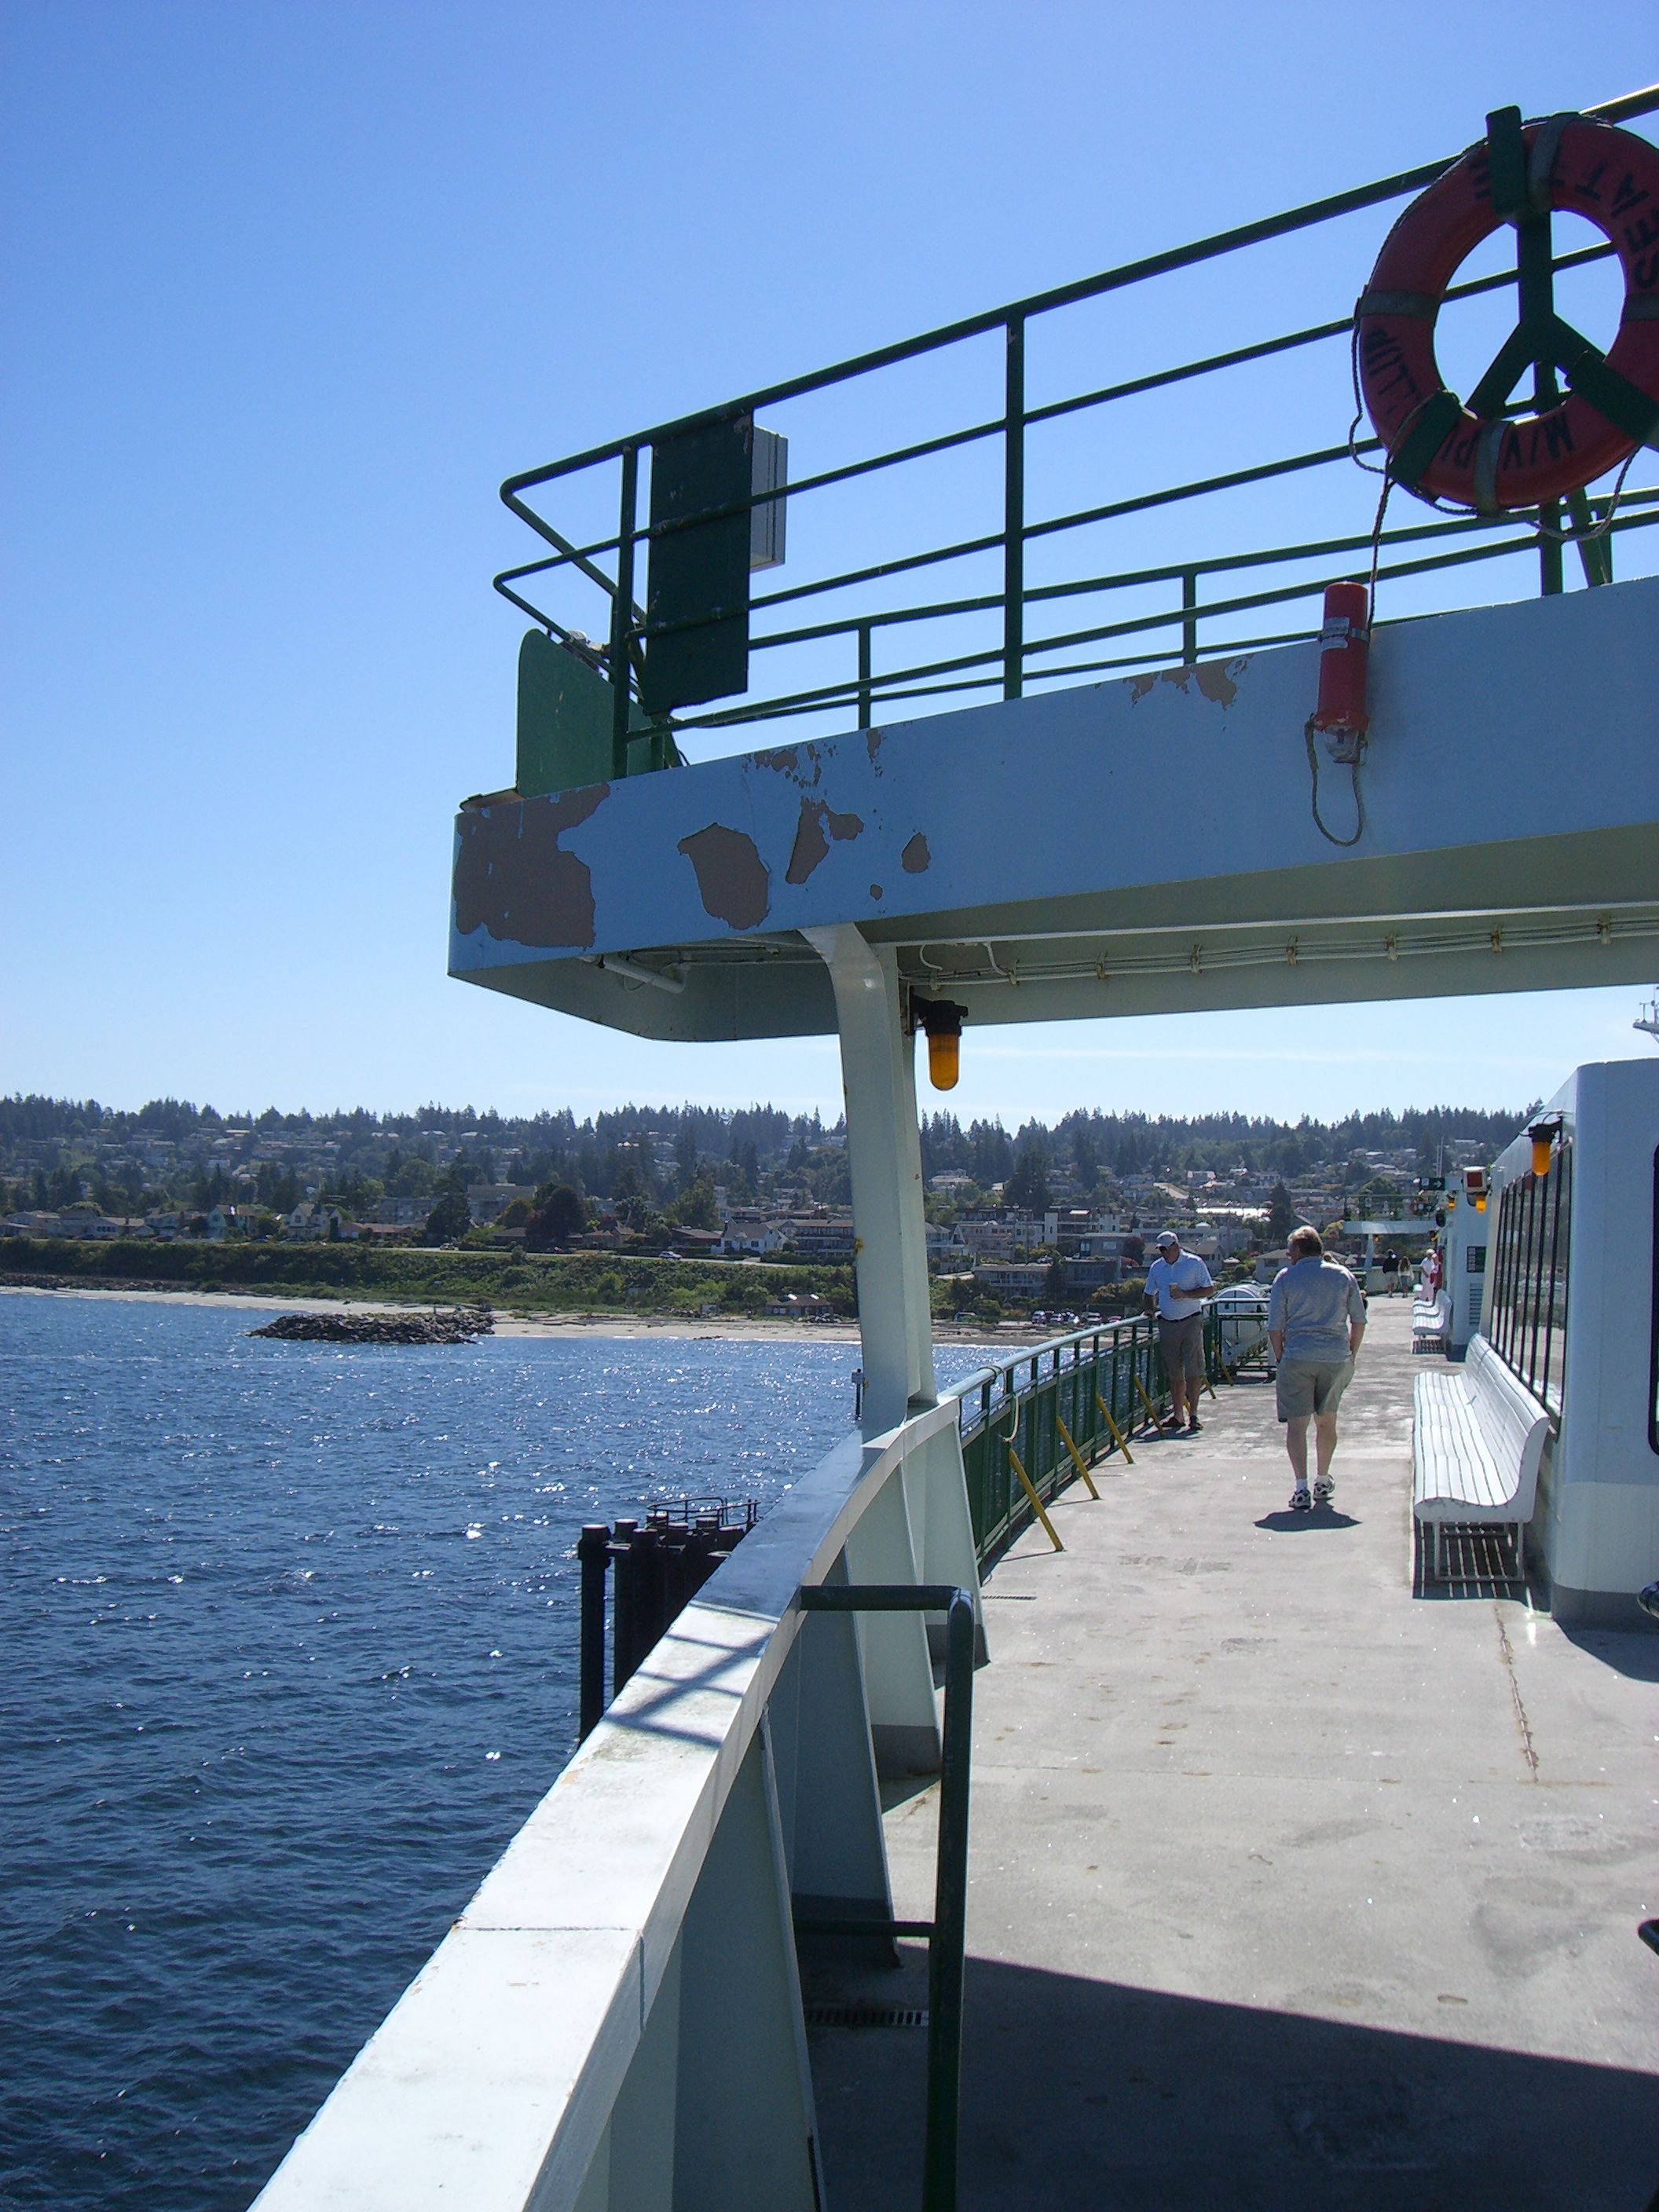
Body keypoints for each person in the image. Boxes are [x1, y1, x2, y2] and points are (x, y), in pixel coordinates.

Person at [1267, 1225, 1367, 1511]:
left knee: (1297, 1425)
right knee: (1327, 1421)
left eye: (1290, 1252)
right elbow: (1359, 1321)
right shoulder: (1343, 1276)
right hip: (1335, 1357)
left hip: (1297, 1356)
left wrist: (1280, 1357)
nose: (1289, 1257)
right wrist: (1351, 1354)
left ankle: (1301, 1488)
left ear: (1298, 1250)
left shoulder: (1285, 1278)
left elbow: (1275, 1326)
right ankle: (1323, 1479)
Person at [1142, 1229, 1214, 1434]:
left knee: (1194, 1370)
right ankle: (1178, 1414)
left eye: (1166, 1249)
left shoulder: (1194, 1263)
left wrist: (1185, 1294)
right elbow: (1148, 1292)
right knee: (1174, 1372)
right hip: (1167, 1323)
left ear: (1176, 1246)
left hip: (1191, 1320)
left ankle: (1194, 1414)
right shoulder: (1157, 1267)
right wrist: (1150, 1309)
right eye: (1161, 1250)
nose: (1164, 1253)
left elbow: (1209, 1289)